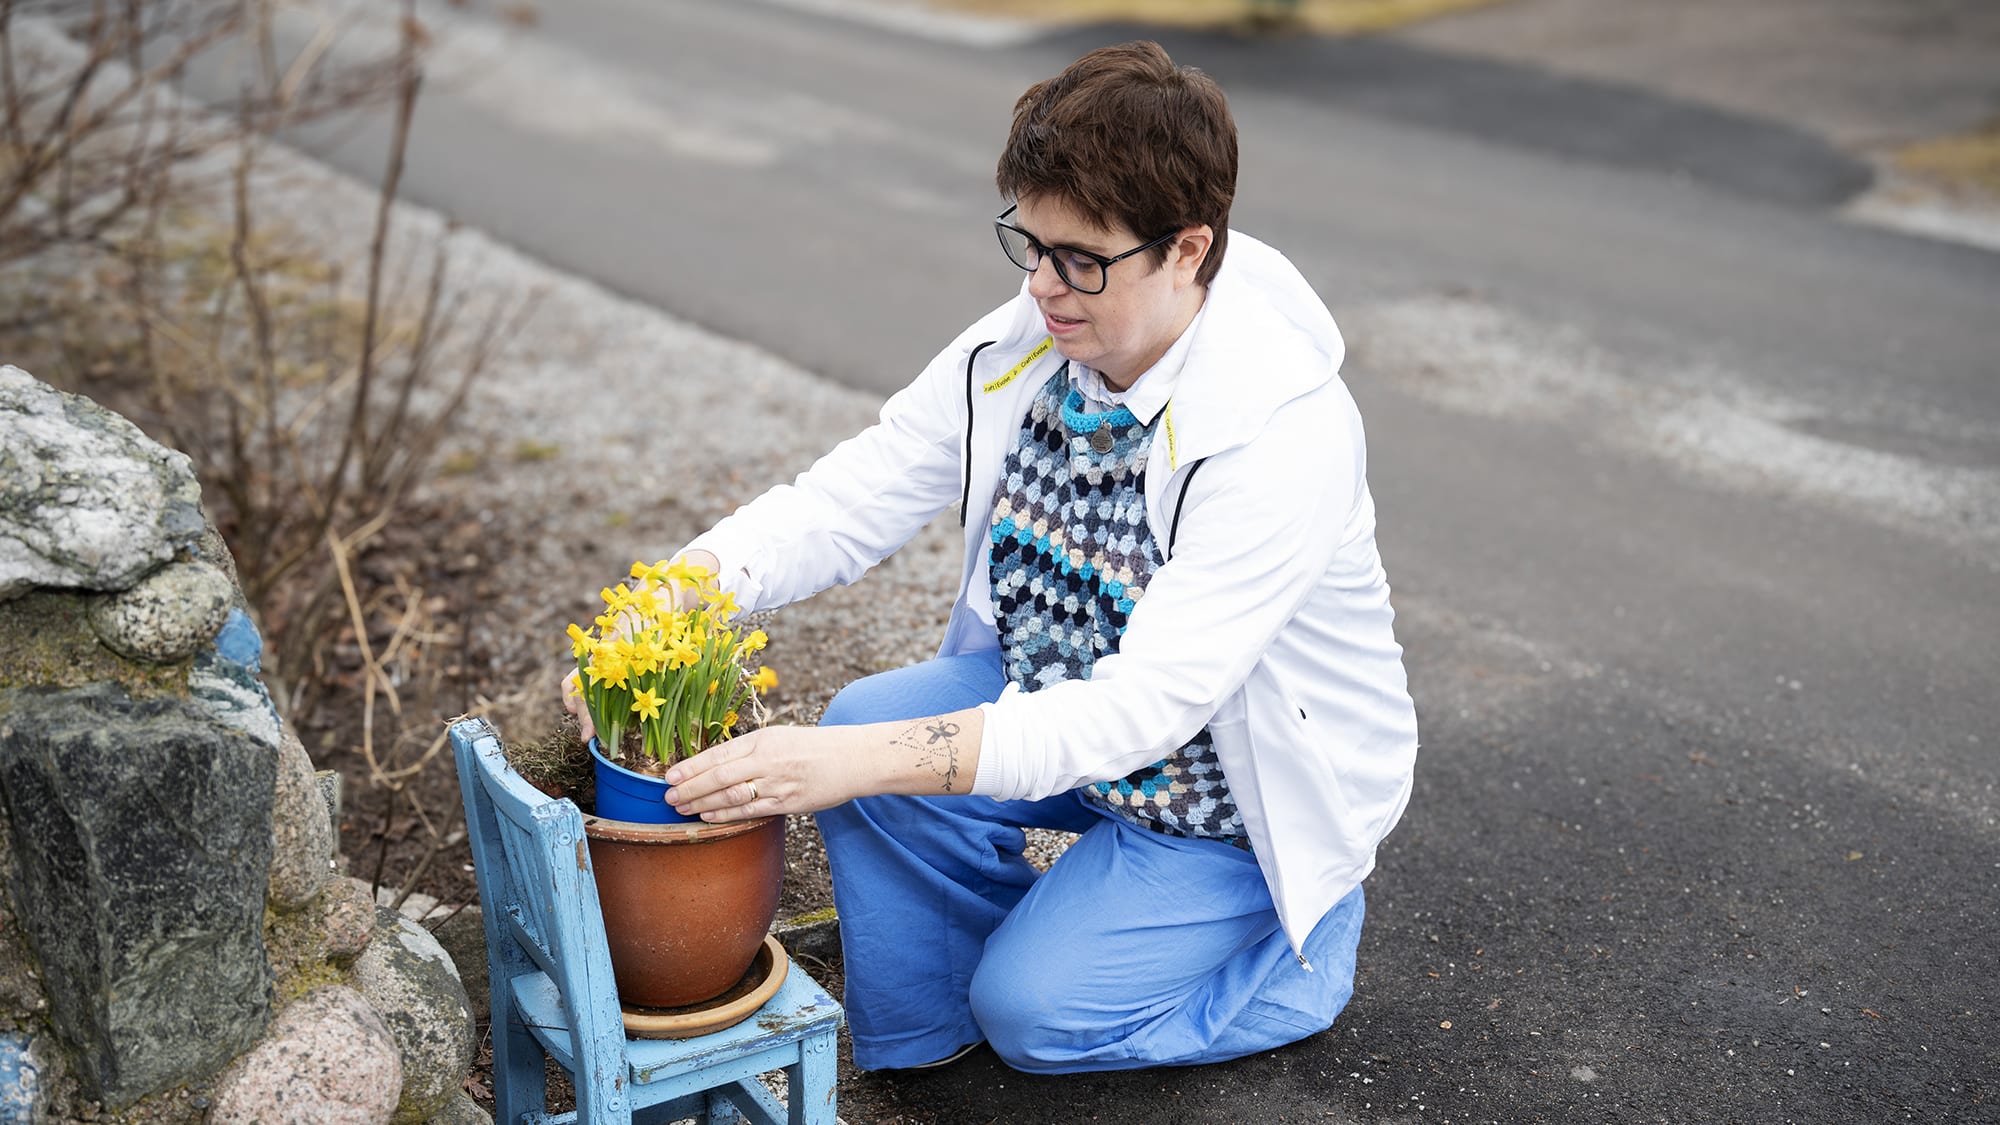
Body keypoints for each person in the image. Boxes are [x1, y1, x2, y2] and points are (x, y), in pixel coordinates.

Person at [563, 40, 1418, 1075]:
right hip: (1052, 694)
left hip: (1222, 797)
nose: (1046, 288)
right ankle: (941, 1021)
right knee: (866, 728)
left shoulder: (1279, 432)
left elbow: (1147, 708)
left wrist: (840, 769)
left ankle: (1293, 954)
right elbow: (853, 496)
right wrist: (662, 608)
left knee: (1038, 1017)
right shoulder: (1026, 341)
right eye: (1031, 243)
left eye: (1083, 260)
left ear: (1187, 249)